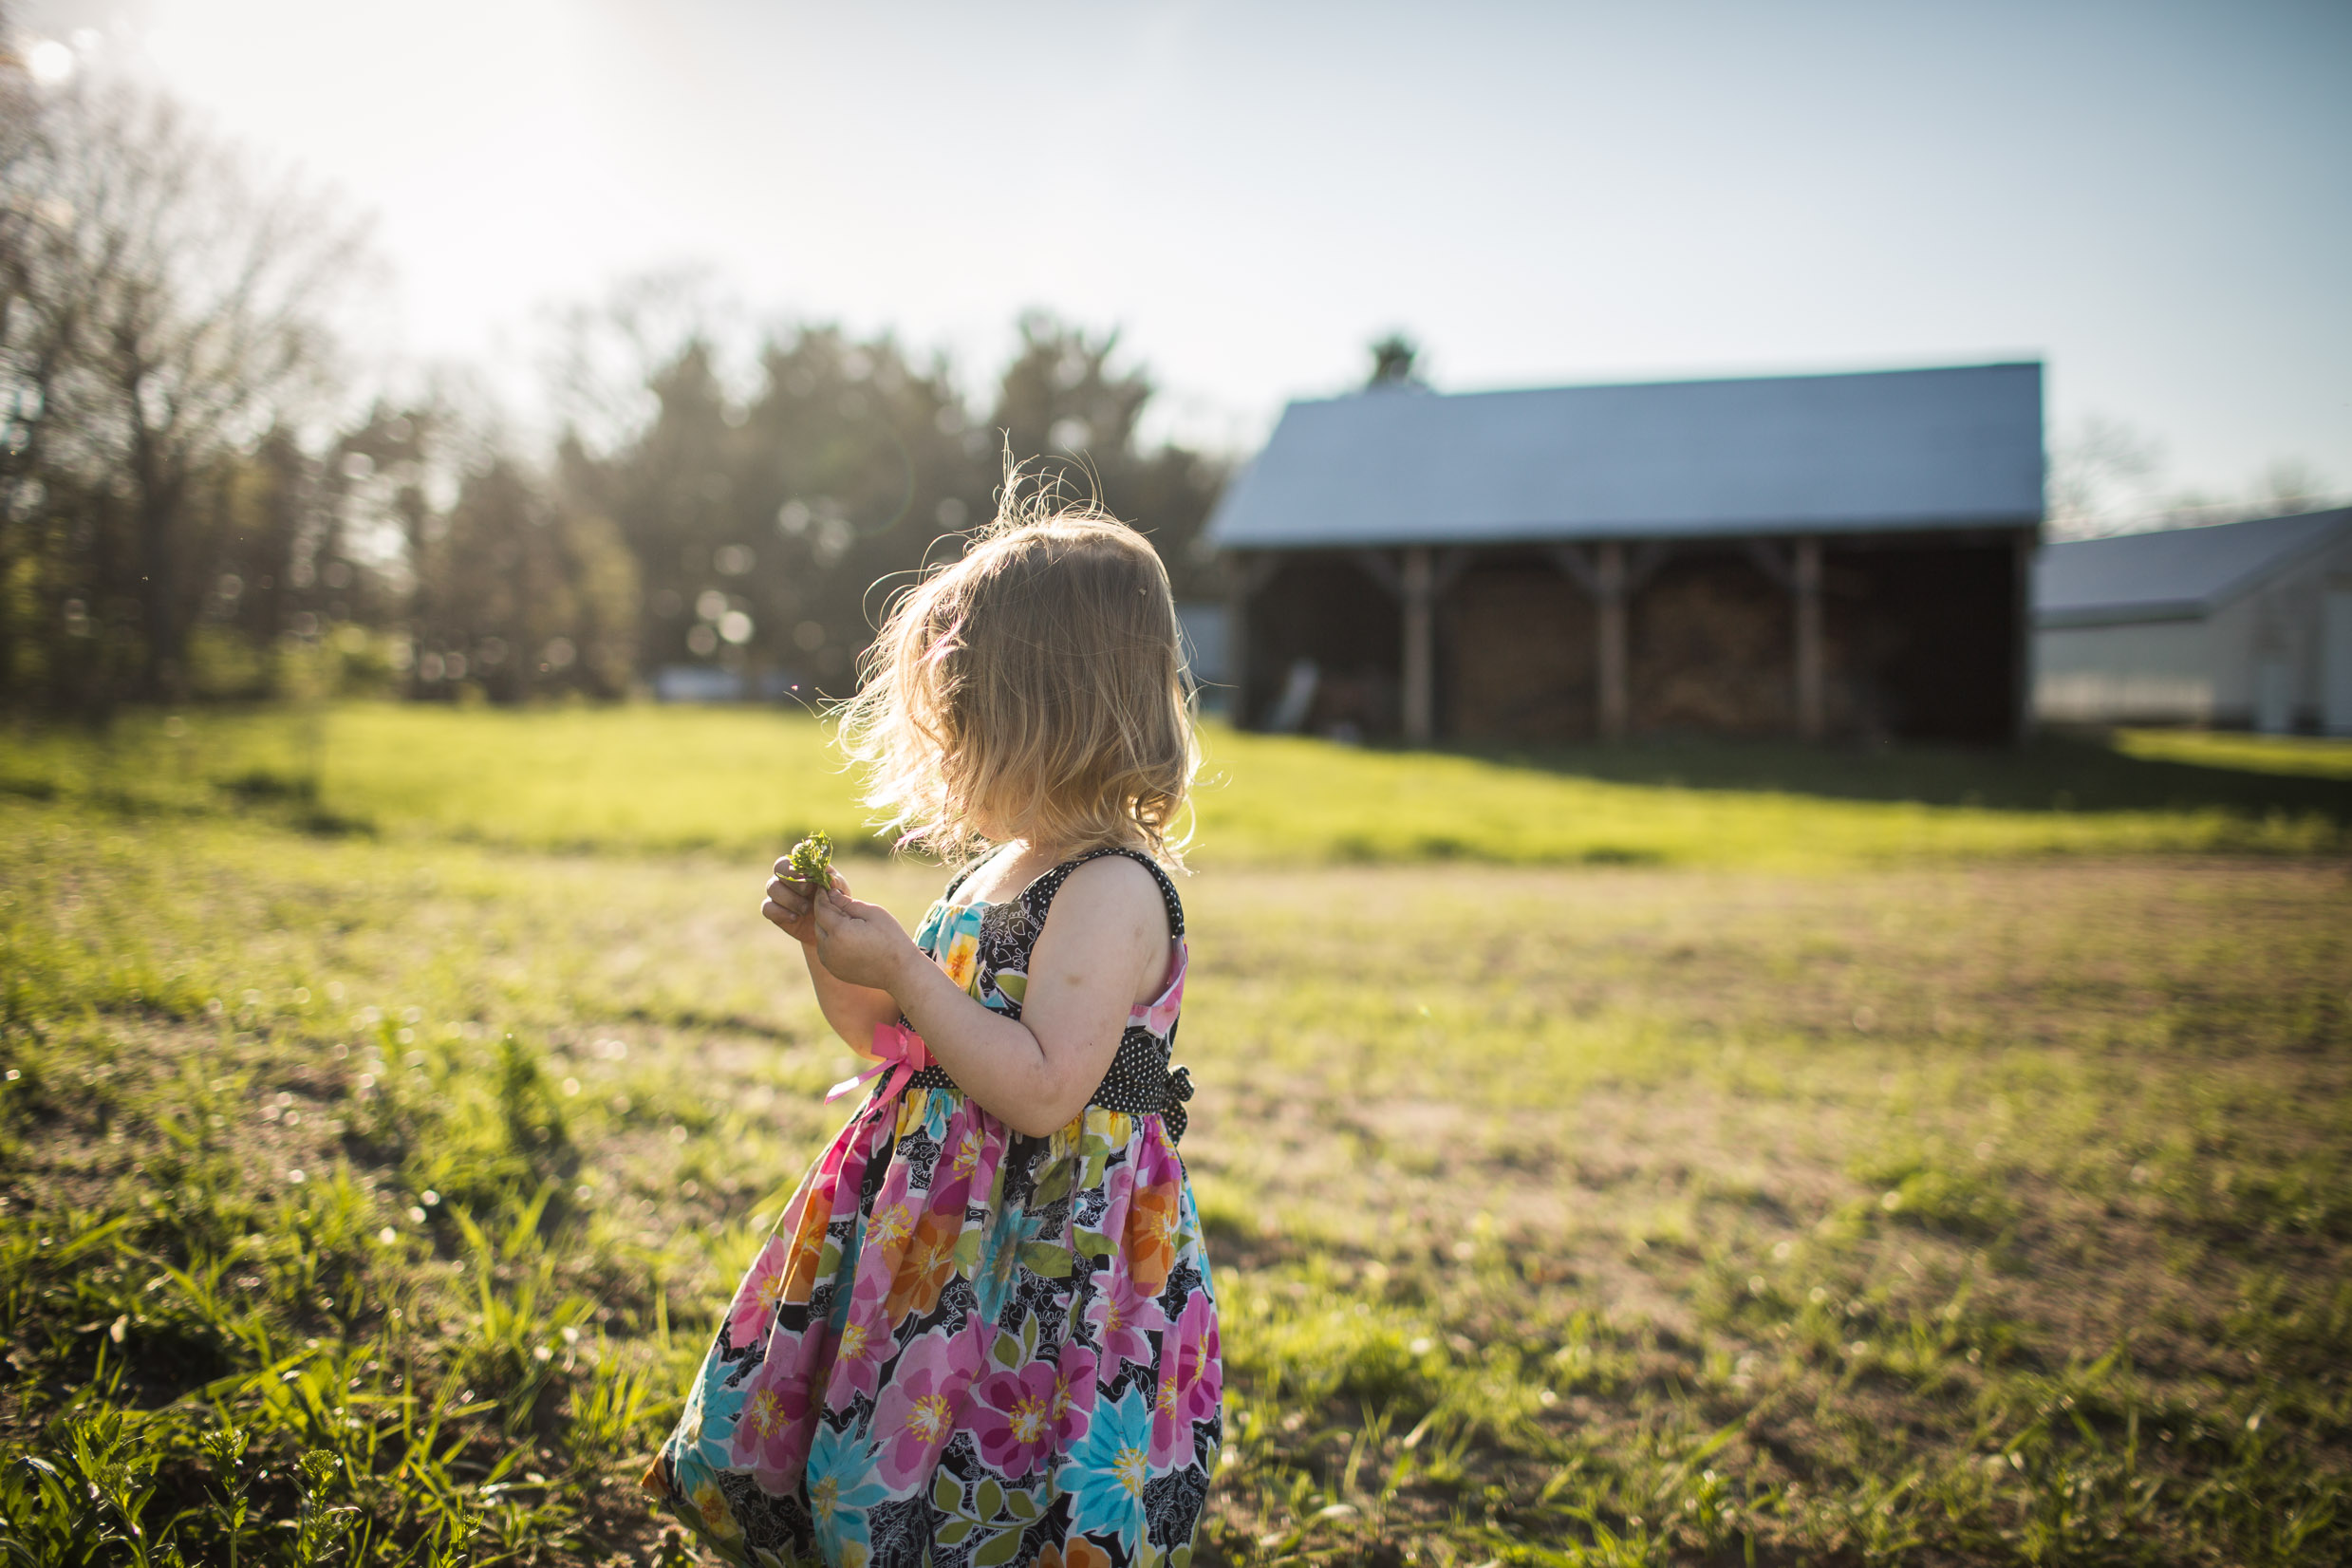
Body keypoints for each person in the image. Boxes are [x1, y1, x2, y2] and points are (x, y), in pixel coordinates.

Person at [644, 495, 1222, 1568]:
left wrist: (909, 965)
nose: (945, 744)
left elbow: (1046, 1087)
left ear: (1043, 715)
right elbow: (886, 1037)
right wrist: (833, 951)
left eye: (963, 717)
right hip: (937, 1223)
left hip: (1050, 1249)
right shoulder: (994, 871)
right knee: (906, 1418)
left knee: (997, 1451)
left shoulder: (1108, 890)